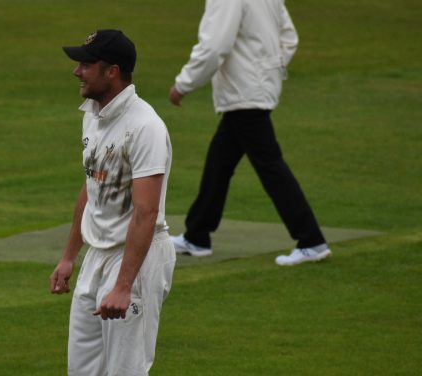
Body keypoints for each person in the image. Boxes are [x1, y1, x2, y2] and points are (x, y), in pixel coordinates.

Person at [50, 29, 176, 375]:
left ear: (112, 71)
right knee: (82, 370)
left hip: (136, 258)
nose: (77, 71)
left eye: (86, 65)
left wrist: (123, 285)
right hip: (97, 256)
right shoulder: (93, 113)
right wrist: (69, 256)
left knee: (125, 370)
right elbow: (92, 187)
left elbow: (146, 211)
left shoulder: (144, 127)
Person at [168, 0, 331, 266]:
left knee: (270, 166)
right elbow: (288, 38)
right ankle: (197, 236)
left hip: (243, 92)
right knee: (219, 164)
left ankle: (311, 240)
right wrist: (267, 70)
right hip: (256, 88)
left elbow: (214, 47)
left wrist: (183, 85)